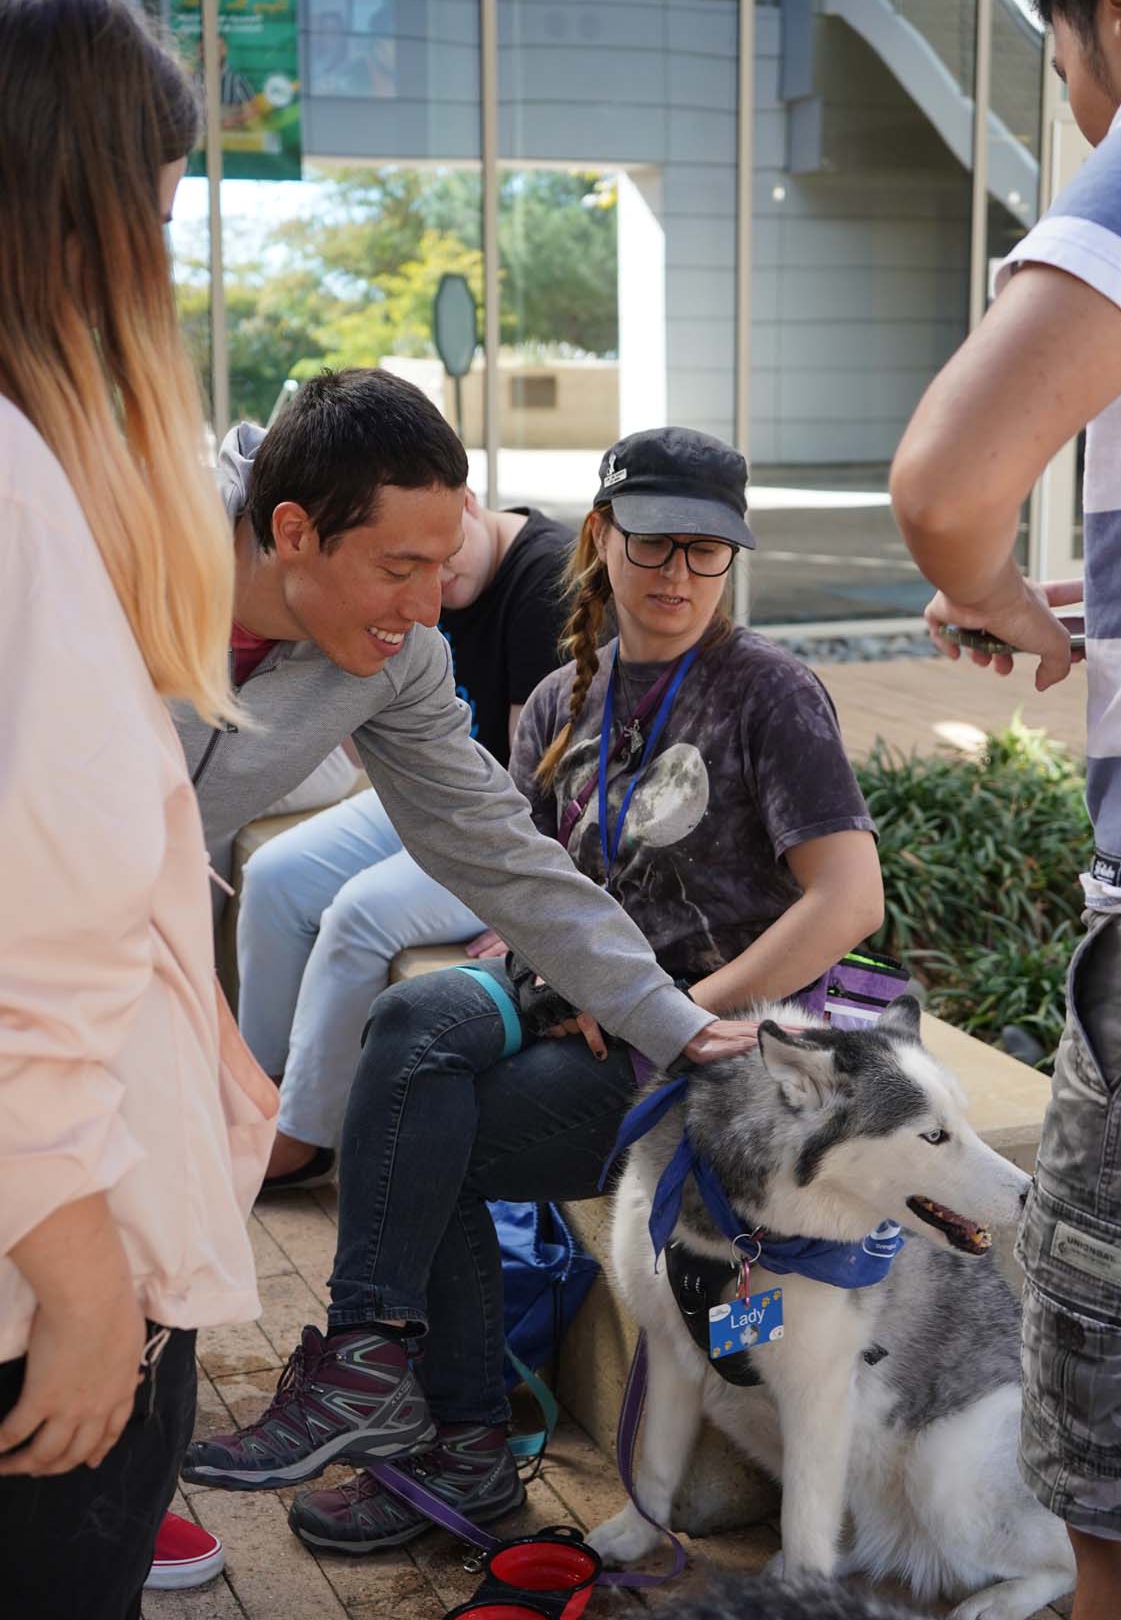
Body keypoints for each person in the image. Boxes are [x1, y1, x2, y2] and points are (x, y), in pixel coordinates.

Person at [182, 426, 884, 1556]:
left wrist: (679, 1007)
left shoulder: (769, 692)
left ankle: (452, 1440)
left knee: (429, 1133)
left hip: (703, 1045)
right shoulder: (564, 695)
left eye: (707, 552)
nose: (676, 574)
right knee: (409, 1024)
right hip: (571, 998)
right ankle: (379, 1371)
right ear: (602, 541)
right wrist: (528, 975)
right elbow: (513, 873)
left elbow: (850, 903)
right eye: (652, 542)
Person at [889, 0, 1121, 1620]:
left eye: (1073, 78)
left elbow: (943, 483)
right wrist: (1088, 607)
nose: (1085, 117)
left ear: (1120, 4)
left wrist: (992, 578)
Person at [0, 0, 274, 1620]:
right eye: (159, 198)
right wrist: (87, 1277)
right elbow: (43, 926)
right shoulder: (18, 490)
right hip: (54, 1278)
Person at [181, 368, 752, 1095]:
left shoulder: (402, 658)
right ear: (294, 531)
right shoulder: (114, 569)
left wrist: (668, 1016)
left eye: (442, 565)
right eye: (399, 567)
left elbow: (494, 844)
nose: (426, 609)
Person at [234, 480, 571, 1189]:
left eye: (441, 561)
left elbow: (530, 790)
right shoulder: (420, 574)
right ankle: (255, 1093)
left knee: (360, 912)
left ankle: (303, 1136)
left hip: (515, 822)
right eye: (405, 568)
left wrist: (530, 919)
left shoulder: (543, 578)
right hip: (423, 781)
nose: (429, 592)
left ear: (470, 505)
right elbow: (369, 741)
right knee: (275, 876)